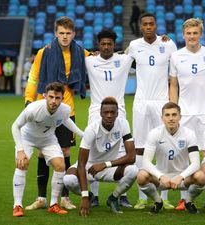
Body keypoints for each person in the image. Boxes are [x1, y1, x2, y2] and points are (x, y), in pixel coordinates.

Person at [24, 16, 88, 210]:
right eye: (61, 33)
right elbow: (34, 76)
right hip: (45, 107)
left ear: (74, 34)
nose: (65, 37)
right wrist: (28, 99)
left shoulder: (80, 52)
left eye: (68, 33)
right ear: (56, 33)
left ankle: (65, 198)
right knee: (43, 154)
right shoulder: (45, 52)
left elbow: (101, 56)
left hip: (66, 109)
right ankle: (41, 197)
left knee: (66, 152)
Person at [169, 18, 205, 210]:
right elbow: (173, 85)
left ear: (200, 34)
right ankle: (184, 198)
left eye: (195, 33)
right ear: (183, 35)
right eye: (188, 33)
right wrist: (173, 108)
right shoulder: (176, 56)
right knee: (183, 156)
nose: (192, 37)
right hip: (185, 113)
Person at [127, 13, 181, 210]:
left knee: (164, 147)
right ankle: (143, 196)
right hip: (141, 102)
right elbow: (123, 59)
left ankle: (164, 195)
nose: (148, 27)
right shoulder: (134, 45)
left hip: (161, 101)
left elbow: (176, 70)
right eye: (145, 24)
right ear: (141, 27)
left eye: (151, 24)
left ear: (156, 25)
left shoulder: (168, 44)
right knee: (140, 148)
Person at [11, 82, 84, 217]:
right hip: (27, 138)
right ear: (45, 96)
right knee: (22, 164)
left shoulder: (65, 109)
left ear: (62, 98)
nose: (53, 101)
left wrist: (82, 134)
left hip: (48, 139)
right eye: (51, 97)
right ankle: (17, 205)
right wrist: (20, 150)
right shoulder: (33, 108)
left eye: (57, 98)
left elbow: (66, 120)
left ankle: (53, 204)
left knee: (60, 165)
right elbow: (15, 126)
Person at [63, 97, 138, 216]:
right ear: (100, 113)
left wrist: (105, 164)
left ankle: (113, 199)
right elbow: (81, 164)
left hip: (108, 167)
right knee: (68, 180)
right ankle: (90, 196)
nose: (109, 115)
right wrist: (84, 197)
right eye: (106, 112)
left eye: (112, 112)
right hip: (89, 167)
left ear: (117, 114)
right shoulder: (92, 129)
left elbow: (132, 156)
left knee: (133, 170)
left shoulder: (123, 124)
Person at [85, 29, 134, 208]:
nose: (106, 47)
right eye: (103, 44)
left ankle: (122, 195)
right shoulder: (89, 61)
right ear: (98, 45)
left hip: (119, 112)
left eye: (109, 44)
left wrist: (162, 38)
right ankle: (94, 196)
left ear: (115, 45)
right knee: (94, 153)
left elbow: (142, 47)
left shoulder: (124, 59)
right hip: (95, 113)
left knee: (123, 152)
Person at [137, 102, 205, 214]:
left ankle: (188, 202)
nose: (171, 118)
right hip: (161, 180)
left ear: (180, 117)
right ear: (162, 118)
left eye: (174, 115)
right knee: (141, 175)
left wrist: (181, 176)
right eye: (167, 115)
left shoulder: (189, 134)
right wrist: (160, 176)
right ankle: (158, 202)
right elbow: (146, 162)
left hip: (183, 179)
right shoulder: (155, 133)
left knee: (201, 176)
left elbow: (196, 163)